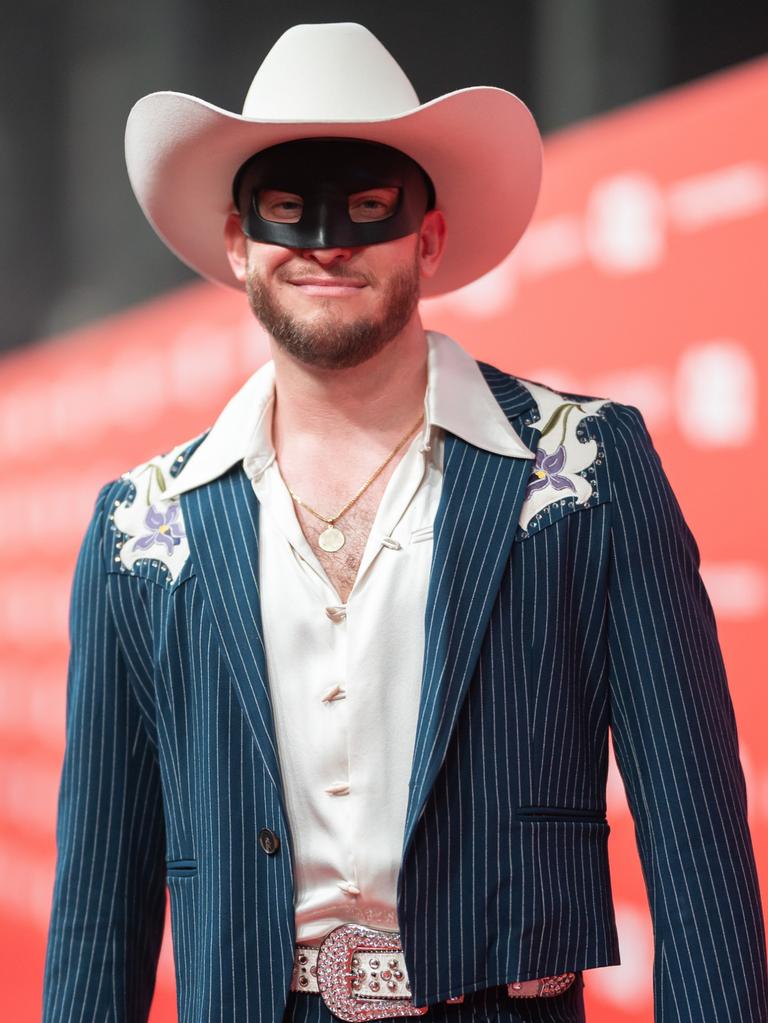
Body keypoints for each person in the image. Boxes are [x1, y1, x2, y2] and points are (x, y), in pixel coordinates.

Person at [42, 21, 767, 1023]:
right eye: (288, 209)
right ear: (238, 242)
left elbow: (698, 861)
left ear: (428, 237)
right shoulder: (140, 530)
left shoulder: (590, 470)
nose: (328, 241)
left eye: (369, 206)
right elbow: (97, 918)